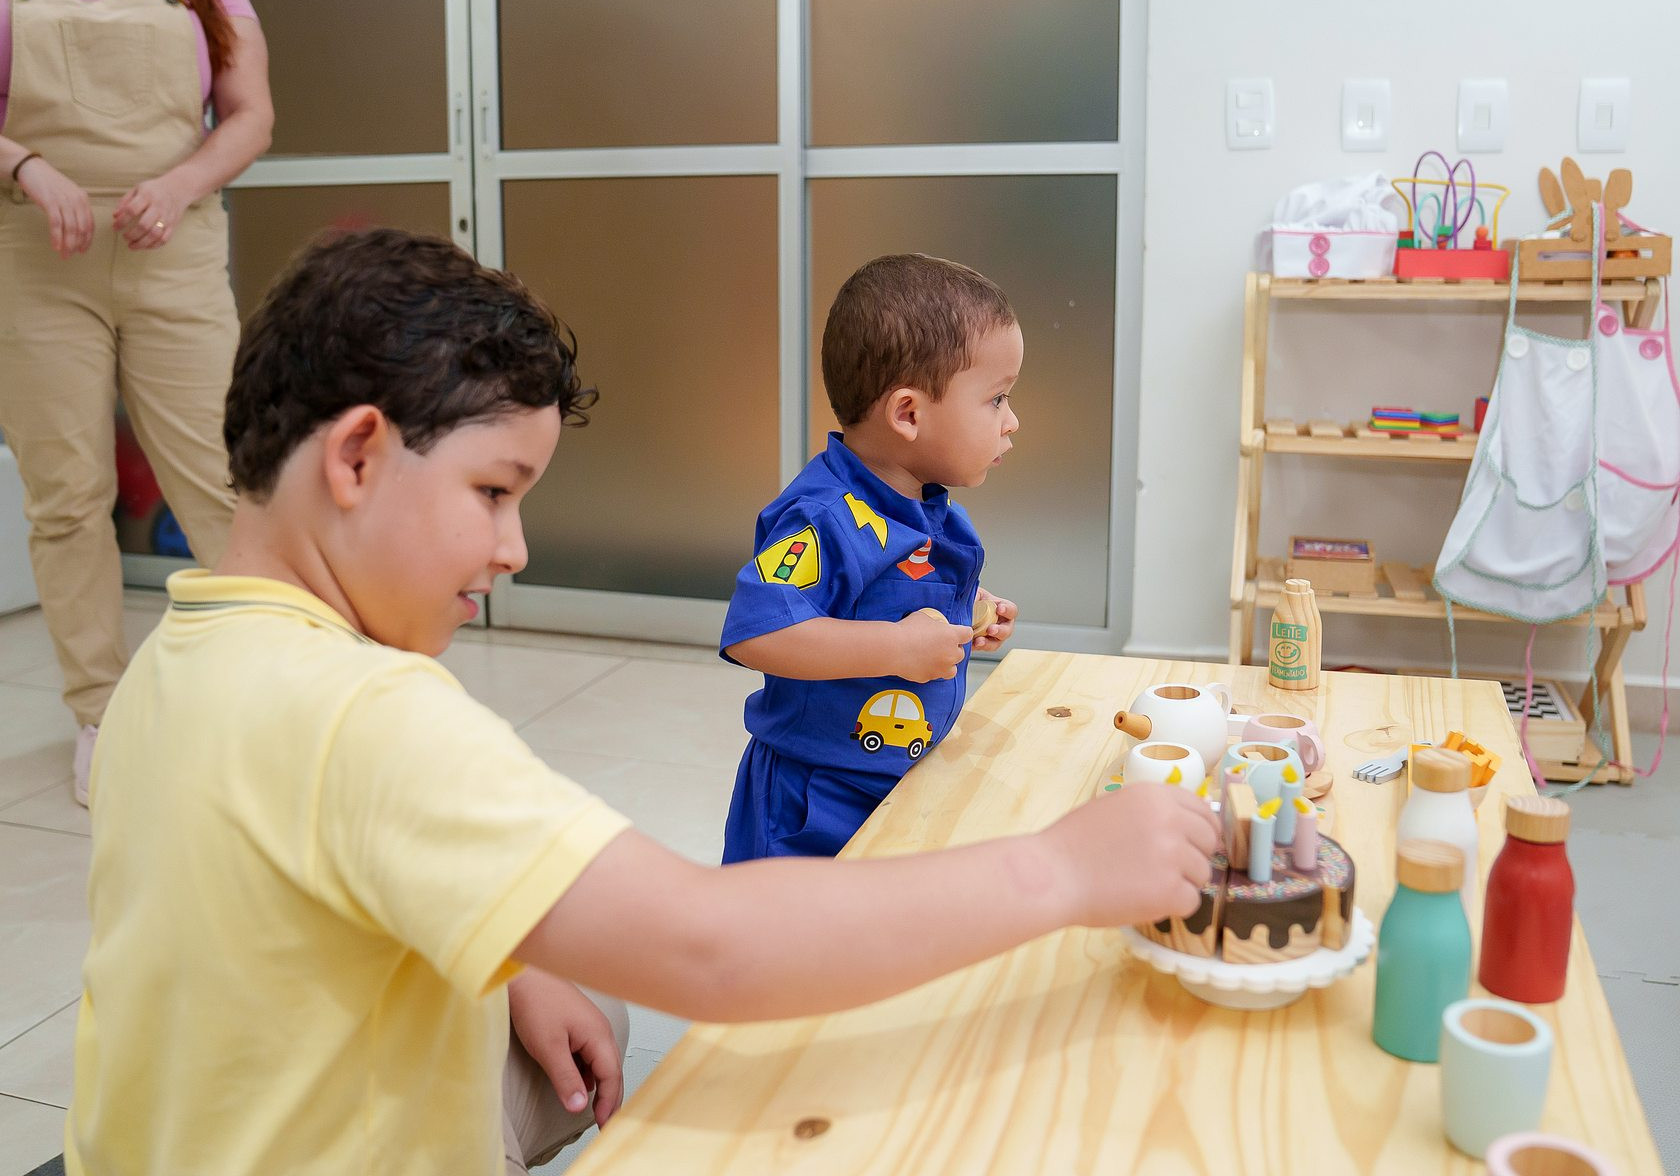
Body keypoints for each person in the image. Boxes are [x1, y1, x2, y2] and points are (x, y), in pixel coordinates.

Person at [66, 229, 1220, 1175]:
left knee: (590, 1018)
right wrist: (1061, 869)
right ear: (357, 456)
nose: (515, 550)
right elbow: (710, 948)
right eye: (494, 492)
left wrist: (516, 971)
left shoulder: (173, 663)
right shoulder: (369, 718)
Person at [0, 0, 272, 806]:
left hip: (175, 249)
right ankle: (102, 716)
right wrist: (26, 166)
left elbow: (251, 115)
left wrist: (181, 184)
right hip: (34, 256)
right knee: (68, 497)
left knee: (228, 485)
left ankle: (267, 700)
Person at [719, 254, 1022, 862]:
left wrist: (968, 612)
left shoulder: (923, 502)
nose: (1012, 421)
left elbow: (887, 594)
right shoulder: (821, 518)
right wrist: (899, 649)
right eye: (996, 399)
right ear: (908, 413)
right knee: (800, 926)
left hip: (894, 779)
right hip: (815, 800)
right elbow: (758, 633)